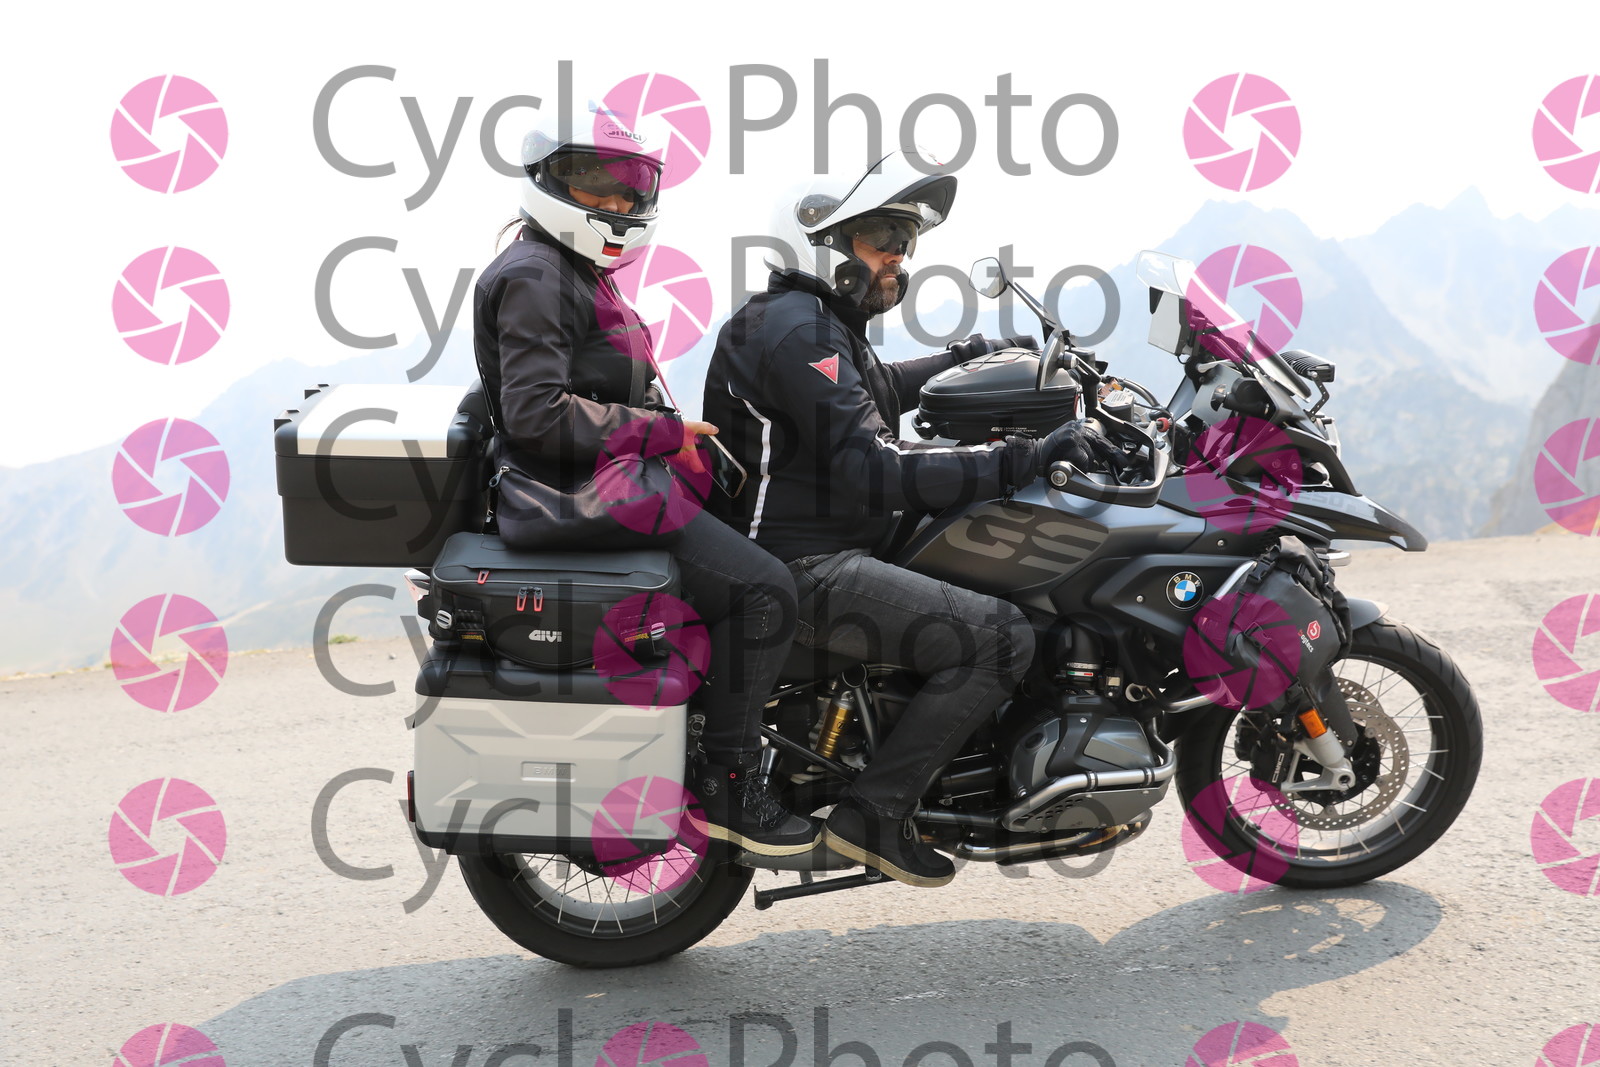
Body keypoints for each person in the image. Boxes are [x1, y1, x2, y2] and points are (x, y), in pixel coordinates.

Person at [702, 147, 1127, 886]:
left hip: (819, 546)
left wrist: (969, 354)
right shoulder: (798, 331)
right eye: (881, 238)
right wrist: (1026, 457)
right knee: (1001, 640)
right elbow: (877, 468)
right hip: (799, 568)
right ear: (819, 242)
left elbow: (870, 391)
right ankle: (874, 815)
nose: (899, 255)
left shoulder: (812, 320)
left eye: (905, 239)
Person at [473, 106, 817, 856]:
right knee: (765, 590)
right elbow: (536, 413)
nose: (617, 203)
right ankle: (731, 783)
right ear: (549, 182)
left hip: (602, 485)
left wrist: (674, 435)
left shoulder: (565, 269)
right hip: (577, 499)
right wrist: (660, 433)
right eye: (595, 186)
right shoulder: (536, 275)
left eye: (630, 189)